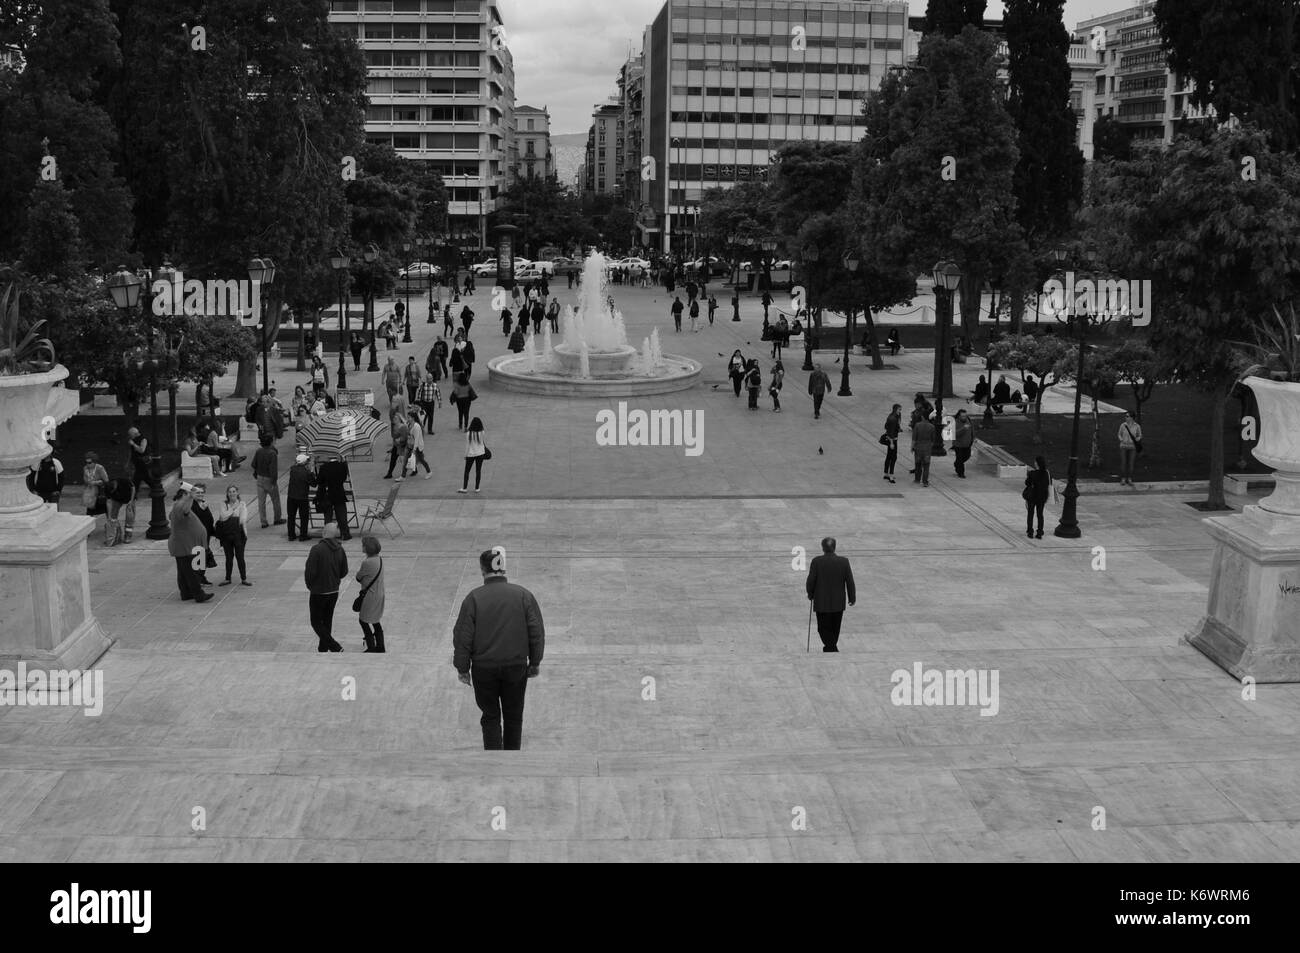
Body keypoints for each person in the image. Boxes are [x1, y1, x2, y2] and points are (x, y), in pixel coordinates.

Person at [453, 547, 545, 750]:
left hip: (484, 669)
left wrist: (462, 668)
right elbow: (536, 632)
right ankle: (511, 758)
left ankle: (493, 760)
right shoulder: (523, 595)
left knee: (490, 716)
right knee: (514, 716)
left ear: (482, 569)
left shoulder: (473, 598)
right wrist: (535, 662)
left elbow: (463, 637)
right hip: (516, 666)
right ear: (503, 568)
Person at [805, 537, 855, 653]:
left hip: (821, 602)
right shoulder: (844, 561)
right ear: (834, 547)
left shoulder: (817, 561)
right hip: (838, 602)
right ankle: (831, 647)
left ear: (823, 548)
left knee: (823, 628)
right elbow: (850, 581)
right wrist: (852, 597)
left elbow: (811, 580)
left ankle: (831, 648)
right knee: (835, 628)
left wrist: (810, 593)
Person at [305, 522, 348, 652]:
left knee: (316, 622)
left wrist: (310, 585)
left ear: (324, 533)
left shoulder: (316, 550)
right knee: (327, 620)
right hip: (333, 591)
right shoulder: (340, 549)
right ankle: (323, 649)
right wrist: (335, 579)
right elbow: (344, 571)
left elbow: (310, 572)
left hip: (319, 592)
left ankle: (334, 646)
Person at [168, 484, 212, 603]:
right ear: (184, 495)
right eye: (189, 494)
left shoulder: (178, 506)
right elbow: (186, 510)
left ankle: (186, 593)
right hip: (184, 545)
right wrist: (191, 497)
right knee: (191, 572)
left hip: (183, 545)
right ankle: (199, 595)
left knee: (183, 572)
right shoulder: (180, 506)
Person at [353, 534, 387, 652]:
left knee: (363, 620)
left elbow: (358, 577)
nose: (362, 547)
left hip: (370, 596)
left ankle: (372, 647)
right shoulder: (379, 559)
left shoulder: (367, 563)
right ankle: (381, 646)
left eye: (363, 545)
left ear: (367, 548)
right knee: (375, 620)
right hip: (379, 593)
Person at [215, 485, 251, 587]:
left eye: (234, 491)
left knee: (240, 557)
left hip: (239, 534)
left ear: (237, 493)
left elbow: (242, 519)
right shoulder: (223, 503)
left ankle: (244, 578)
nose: (232, 493)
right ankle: (227, 578)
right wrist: (234, 509)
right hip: (226, 534)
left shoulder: (242, 504)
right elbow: (222, 517)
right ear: (227, 494)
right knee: (228, 557)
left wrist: (228, 514)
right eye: (230, 492)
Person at [251, 432, 284, 528]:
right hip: (269, 479)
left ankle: (263, 522)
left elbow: (253, 464)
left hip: (260, 478)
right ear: (270, 442)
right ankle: (277, 519)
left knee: (261, 502)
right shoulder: (272, 453)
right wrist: (274, 482)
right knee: (275, 500)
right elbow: (273, 470)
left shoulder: (259, 451)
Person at [316, 454, 352, 540]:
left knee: (328, 516)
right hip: (339, 493)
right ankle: (345, 534)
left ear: (328, 458)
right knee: (342, 515)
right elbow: (344, 478)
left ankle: (328, 535)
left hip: (327, 494)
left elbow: (319, 481)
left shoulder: (324, 467)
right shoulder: (342, 466)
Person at [287, 453, 316, 542]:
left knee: (291, 516)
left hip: (291, 497)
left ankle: (291, 535)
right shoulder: (307, 472)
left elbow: (295, 466)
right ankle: (303, 535)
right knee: (304, 517)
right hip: (302, 497)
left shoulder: (292, 470)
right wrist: (312, 471)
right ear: (305, 463)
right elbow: (314, 484)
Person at [1024, 455, 1052, 539]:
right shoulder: (1046, 473)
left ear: (1037, 463)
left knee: (1030, 514)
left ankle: (1030, 531)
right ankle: (1039, 532)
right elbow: (1048, 484)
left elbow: (1027, 483)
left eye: (1035, 462)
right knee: (1040, 514)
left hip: (1032, 496)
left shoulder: (1032, 473)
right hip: (1042, 497)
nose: (1034, 463)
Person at [459, 416, 488, 493]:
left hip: (471, 454)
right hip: (480, 454)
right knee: (478, 471)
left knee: (467, 471)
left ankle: (464, 488)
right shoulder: (482, 432)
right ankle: (477, 488)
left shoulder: (469, 433)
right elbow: (482, 442)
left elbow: (468, 445)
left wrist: (465, 455)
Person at [383, 412, 411, 481]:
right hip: (396, 446)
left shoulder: (403, 427)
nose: (394, 419)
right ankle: (389, 473)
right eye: (394, 418)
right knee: (393, 459)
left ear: (399, 419)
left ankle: (413, 470)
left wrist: (400, 440)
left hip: (402, 446)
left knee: (406, 459)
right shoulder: (395, 426)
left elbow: (405, 437)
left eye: (396, 418)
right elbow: (394, 437)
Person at [81, 451, 109, 520]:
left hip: (100, 492)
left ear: (94, 462)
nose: (88, 464)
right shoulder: (85, 468)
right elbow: (85, 479)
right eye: (86, 462)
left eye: (90, 463)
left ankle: (110, 523)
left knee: (106, 509)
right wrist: (88, 482)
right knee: (90, 510)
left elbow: (106, 480)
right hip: (91, 493)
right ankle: (88, 523)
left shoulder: (100, 468)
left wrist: (96, 482)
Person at [1118, 412, 1143, 486]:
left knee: (1131, 464)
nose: (1126, 417)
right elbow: (1119, 434)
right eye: (1126, 416)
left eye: (1127, 416)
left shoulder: (1137, 426)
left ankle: (1129, 479)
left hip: (1132, 447)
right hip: (1123, 446)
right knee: (1123, 463)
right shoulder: (1123, 425)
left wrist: (1136, 439)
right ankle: (1123, 479)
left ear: (1132, 418)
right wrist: (1121, 439)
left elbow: (1140, 435)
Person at [407, 410, 432, 479]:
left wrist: (414, 449)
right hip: (411, 444)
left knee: (421, 459)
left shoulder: (416, 426)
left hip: (418, 445)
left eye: (409, 417)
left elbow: (417, 439)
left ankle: (429, 472)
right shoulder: (409, 424)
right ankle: (415, 471)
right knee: (413, 458)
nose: (407, 418)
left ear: (413, 418)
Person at [882, 403, 902, 484]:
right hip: (893, 440)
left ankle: (886, 473)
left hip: (890, 439)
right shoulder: (893, 419)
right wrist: (892, 443)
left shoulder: (891, 417)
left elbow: (886, 427)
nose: (900, 411)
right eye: (899, 410)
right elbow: (891, 432)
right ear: (895, 409)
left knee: (888, 456)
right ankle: (891, 475)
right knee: (893, 458)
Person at [415, 369, 439, 435]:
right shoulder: (423, 385)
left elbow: (438, 393)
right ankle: (421, 429)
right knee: (423, 417)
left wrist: (439, 401)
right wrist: (419, 402)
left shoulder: (435, 385)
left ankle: (430, 430)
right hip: (424, 403)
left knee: (431, 416)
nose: (429, 380)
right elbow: (419, 393)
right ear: (426, 379)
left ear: (432, 378)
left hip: (431, 403)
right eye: (428, 378)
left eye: (431, 378)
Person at [952, 409, 974, 478]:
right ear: (959, 416)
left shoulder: (968, 420)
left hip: (967, 444)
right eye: (963, 416)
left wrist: (973, 438)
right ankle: (961, 473)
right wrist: (963, 428)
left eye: (965, 416)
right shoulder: (955, 422)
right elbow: (954, 434)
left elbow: (972, 430)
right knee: (960, 459)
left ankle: (956, 463)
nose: (964, 417)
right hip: (958, 445)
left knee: (967, 456)